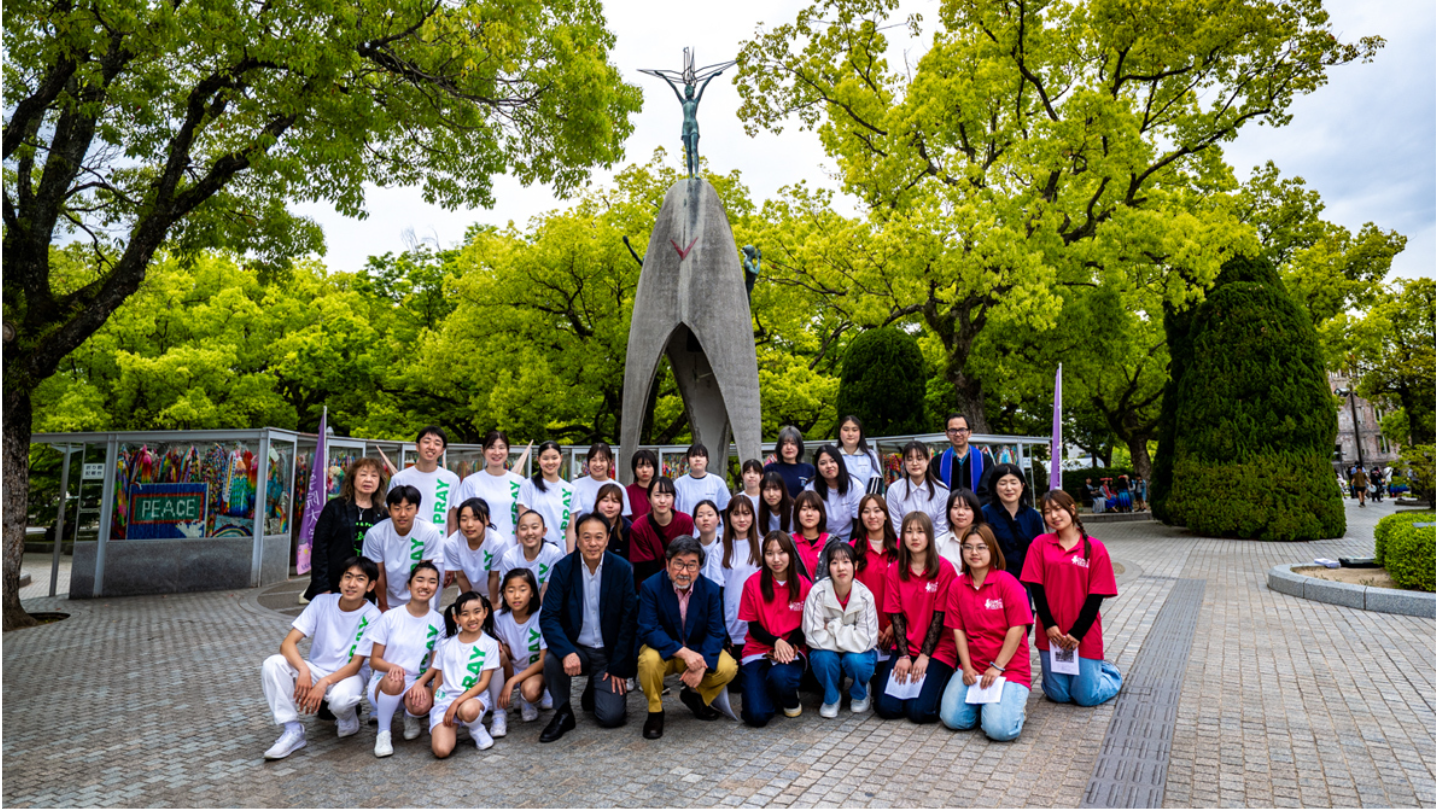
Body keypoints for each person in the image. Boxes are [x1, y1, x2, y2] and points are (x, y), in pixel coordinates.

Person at [261, 555, 381, 760]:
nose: (352, 584)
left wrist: (323, 683)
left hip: (349, 675)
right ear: (340, 580)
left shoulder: (373, 616)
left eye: (360, 579)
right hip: (317, 669)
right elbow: (287, 644)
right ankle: (292, 730)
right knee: (273, 664)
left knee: (341, 701)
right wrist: (305, 670)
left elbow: (356, 665)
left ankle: (348, 717)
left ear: (370, 586)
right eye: (348, 577)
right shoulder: (321, 602)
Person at [538, 513, 638, 741]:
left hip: (607, 653)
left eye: (598, 537)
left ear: (607, 538)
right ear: (577, 539)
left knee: (612, 718)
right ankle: (563, 712)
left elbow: (628, 619)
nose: (593, 543)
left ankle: (594, 688)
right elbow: (549, 617)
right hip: (578, 649)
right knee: (553, 658)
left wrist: (619, 666)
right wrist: (566, 651)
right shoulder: (563, 568)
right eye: (587, 537)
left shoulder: (621, 568)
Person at [1024, 491, 1123, 707]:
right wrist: (1049, 625)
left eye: (1058, 509)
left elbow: (1096, 596)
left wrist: (1078, 633)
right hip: (1052, 634)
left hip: (1083, 632)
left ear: (1072, 508)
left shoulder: (1094, 548)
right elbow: (1036, 589)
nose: (1053, 516)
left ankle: (1110, 673)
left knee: (1086, 697)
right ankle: (1083, 673)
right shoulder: (1039, 544)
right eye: (1048, 512)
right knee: (1058, 695)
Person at [636, 535, 739, 739]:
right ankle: (655, 710)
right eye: (679, 564)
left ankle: (694, 695)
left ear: (700, 567)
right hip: (665, 652)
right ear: (667, 564)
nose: (684, 572)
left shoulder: (709, 589)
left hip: (696, 652)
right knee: (647, 660)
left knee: (729, 668)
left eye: (692, 565)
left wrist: (701, 665)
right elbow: (648, 629)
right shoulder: (651, 586)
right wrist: (683, 652)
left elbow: (716, 630)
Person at [937, 524, 1032, 741]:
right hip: (974, 666)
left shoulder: (1008, 583)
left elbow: (1017, 629)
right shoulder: (957, 585)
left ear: (992, 550)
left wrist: (997, 666)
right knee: (952, 720)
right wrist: (967, 667)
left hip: (1008, 668)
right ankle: (988, 705)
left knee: (1000, 731)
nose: (974, 553)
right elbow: (958, 629)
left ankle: (1010, 707)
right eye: (968, 547)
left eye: (981, 547)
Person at [875, 511, 957, 725]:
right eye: (909, 532)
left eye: (920, 532)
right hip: (905, 646)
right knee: (886, 708)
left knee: (919, 712)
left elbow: (940, 617)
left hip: (938, 649)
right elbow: (896, 616)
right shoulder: (894, 570)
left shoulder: (944, 569)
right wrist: (903, 656)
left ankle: (939, 686)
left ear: (929, 536)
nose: (914, 537)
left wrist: (924, 656)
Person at [367, 561, 443, 757]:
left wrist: (421, 683)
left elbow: (436, 663)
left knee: (421, 704)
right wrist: (393, 667)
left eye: (432, 581)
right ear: (409, 585)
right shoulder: (390, 617)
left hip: (416, 683)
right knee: (395, 679)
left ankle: (410, 716)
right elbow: (374, 660)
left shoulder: (438, 621)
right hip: (385, 683)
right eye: (420, 580)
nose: (425, 586)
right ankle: (383, 732)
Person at [737, 532, 813, 727]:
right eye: (770, 553)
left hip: (792, 649)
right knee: (756, 716)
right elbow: (753, 627)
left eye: (782, 552)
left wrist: (785, 646)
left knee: (781, 676)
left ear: (791, 554)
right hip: (758, 650)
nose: (776, 559)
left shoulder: (804, 584)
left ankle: (788, 697)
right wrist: (776, 642)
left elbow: (805, 626)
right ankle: (769, 694)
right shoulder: (753, 583)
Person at [803, 543, 879, 717]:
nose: (841, 568)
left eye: (846, 562)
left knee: (857, 660)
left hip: (855, 653)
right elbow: (813, 637)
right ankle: (832, 696)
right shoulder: (817, 593)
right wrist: (849, 638)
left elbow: (866, 641)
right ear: (828, 567)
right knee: (822, 657)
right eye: (834, 563)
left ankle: (860, 693)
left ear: (856, 565)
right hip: (831, 651)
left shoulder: (865, 596)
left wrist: (831, 626)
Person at [425, 590, 502, 755]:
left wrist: (457, 703)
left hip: (473, 699)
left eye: (477, 612)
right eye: (465, 614)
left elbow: (483, 683)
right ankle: (452, 726)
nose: (472, 618)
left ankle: (476, 728)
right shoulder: (445, 645)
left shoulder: (490, 644)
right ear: (457, 618)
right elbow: (438, 680)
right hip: (446, 701)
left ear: (485, 613)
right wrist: (437, 706)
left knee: (467, 711)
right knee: (441, 750)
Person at [305, 457, 389, 601]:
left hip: (368, 588)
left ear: (380, 481)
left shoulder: (383, 514)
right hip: (334, 585)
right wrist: (322, 587)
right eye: (363, 474)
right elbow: (319, 549)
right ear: (353, 478)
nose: (368, 480)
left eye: (374, 476)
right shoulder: (335, 508)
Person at [362, 485, 445, 613]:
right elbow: (378, 572)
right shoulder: (375, 534)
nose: (402, 514)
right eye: (397, 508)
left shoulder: (429, 532)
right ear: (389, 510)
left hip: (418, 597)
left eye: (408, 508)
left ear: (417, 510)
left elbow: (424, 573)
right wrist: (383, 605)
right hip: (387, 598)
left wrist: (418, 606)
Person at [493, 568, 551, 724]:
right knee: (495, 653)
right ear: (504, 593)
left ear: (532, 592)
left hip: (535, 671)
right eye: (510, 590)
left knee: (530, 691)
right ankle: (499, 711)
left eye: (522, 590)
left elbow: (542, 661)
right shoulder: (498, 618)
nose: (516, 595)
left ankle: (528, 699)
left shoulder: (542, 616)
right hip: (511, 669)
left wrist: (513, 682)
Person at [388, 425, 462, 535]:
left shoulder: (451, 479)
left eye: (437, 444)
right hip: (407, 546)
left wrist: (449, 548)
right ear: (417, 446)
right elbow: (391, 515)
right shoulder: (399, 479)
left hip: (439, 548)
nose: (431, 447)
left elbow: (452, 521)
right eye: (426, 442)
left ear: (442, 450)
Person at [851, 493, 898, 660]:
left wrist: (896, 626)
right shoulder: (851, 550)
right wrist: (869, 627)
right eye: (866, 511)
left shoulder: (902, 549)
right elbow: (847, 596)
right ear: (860, 517)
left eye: (877, 510)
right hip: (862, 630)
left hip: (899, 631)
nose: (872, 516)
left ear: (885, 515)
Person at [982, 463, 1045, 587]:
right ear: (995, 487)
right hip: (994, 581)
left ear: (1022, 486)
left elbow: (1040, 551)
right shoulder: (984, 514)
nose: (1009, 488)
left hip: (1026, 581)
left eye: (1013, 482)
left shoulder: (1033, 516)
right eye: (1003, 483)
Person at [456, 430, 527, 541]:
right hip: (481, 549)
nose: (497, 452)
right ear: (482, 450)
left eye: (501, 447)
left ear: (508, 451)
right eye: (491, 447)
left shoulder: (519, 482)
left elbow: (525, 518)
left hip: (512, 549)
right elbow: (462, 519)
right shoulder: (471, 482)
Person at [628, 476, 695, 590]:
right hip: (650, 586)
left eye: (667, 495)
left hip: (679, 583)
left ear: (674, 498)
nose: (662, 500)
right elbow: (646, 566)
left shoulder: (685, 521)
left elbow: (684, 557)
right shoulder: (638, 527)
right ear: (649, 498)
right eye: (657, 495)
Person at [444, 497, 513, 607]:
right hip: (469, 590)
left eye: (476, 519)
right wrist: (470, 603)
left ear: (487, 520)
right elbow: (461, 576)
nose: (469, 524)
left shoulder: (497, 543)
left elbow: (494, 576)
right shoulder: (452, 543)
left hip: (496, 592)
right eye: (464, 519)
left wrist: (494, 602)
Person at [719, 496, 765, 656]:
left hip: (761, 625)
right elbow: (716, 594)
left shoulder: (763, 546)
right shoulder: (720, 550)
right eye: (736, 514)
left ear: (753, 516)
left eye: (746, 513)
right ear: (729, 517)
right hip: (732, 624)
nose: (742, 519)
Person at [518, 440, 576, 548]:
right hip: (534, 552)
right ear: (538, 460)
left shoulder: (570, 489)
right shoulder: (528, 486)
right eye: (545, 458)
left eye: (554, 458)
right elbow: (523, 523)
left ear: (561, 458)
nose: (550, 462)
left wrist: (570, 557)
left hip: (561, 553)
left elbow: (570, 528)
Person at [888, 441, 950, 536]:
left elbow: (942, 529)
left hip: (935, 548)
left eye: (919, 458)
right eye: (909, 459)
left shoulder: (942, 490)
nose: (914, 463)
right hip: (903, 548)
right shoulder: (894, 490)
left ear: (927, 460)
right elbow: (896, 527)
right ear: (904, 463)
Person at [499, 510, 566, 597]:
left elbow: (546, 591)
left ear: (544, 531)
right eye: (523, 528)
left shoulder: (554, 554)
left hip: (546, 606)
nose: (529, 533)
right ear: (517, 534)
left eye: (534, 527)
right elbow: (510, 592)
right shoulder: (509, 557)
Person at [804, 444, 864, 540]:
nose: (829, 466)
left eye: (832, 461)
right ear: (817, 467)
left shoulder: (855, 486)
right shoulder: (810, 488)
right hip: (820, 540)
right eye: (823, 463)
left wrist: (850, 549)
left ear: (839, 462)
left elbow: (858, 523)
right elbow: (808, 521)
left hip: (849, 540)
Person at [929, 413, 994, 500]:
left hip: (977, 511)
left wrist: (971, 509)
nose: (958, 434)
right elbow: (935, 492)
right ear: (947, 434)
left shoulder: (985, 461)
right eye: (953, 430)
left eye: (962, 430)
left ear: (969, 432)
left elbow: (988, 493)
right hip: (947, 511)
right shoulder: (938, 462)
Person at [572, 442, 633, 518]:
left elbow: (624, 518)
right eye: (594, 460)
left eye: (602, 460)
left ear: (611, 462)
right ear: (588, 462)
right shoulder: (575, 486)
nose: (598, 464)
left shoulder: (619, 488)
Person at [673, 443, 732, 517]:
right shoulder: (679, 484)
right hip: (688, 528)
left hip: (714, 528)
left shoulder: (718, 482)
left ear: (707, 460)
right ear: (688, 460)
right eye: (693, 456)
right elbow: (674, 512)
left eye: (701, 456)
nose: (697, 459)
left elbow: (725, 510)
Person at [936, 489, 984, 573]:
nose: (961, 512)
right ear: (948, 511)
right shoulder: (939, 543)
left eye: (966, 508)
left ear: (975, 512)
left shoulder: (985, 541)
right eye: (955, 507)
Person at [836, 415, 884, 493]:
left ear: (860, 433)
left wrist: (867, 503)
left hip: (864, 503)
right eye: (846, 430)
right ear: (839, 432)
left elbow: (876, 482)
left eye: (854, 430)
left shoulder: (870, 455)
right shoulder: (833, 456)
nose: (850, 434)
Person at [764, 425, 815, 497]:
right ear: (779, 447)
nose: (789, 447)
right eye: (784, 444)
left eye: (793, 443)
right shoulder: (770, 469)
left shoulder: (810, 469)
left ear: (799, 446)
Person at [790, 490, 831, 581]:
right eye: (804, 509)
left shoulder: (832, 543)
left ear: (821, 513)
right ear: (797, 513)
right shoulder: (788, 543)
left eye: (814, 509)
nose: (809, 514)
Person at [691, 500, 726, 588]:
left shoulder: (726, 545)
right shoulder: (690, 548)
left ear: (718, 519)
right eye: (700, 515)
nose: (705, 518)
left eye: (710, 515)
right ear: (694, 520)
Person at [593, 482, 632, 559]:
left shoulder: (628, 529)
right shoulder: (586, 525)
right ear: (597, 503)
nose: (610, 506)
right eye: (605, 500)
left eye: (615, 501)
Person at [626, 449, 658, 520]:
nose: (644, 470)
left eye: (648, 466)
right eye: (640, 466)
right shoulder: (627, 492)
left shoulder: (662, 489)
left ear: (654, 468)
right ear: (634, 469)